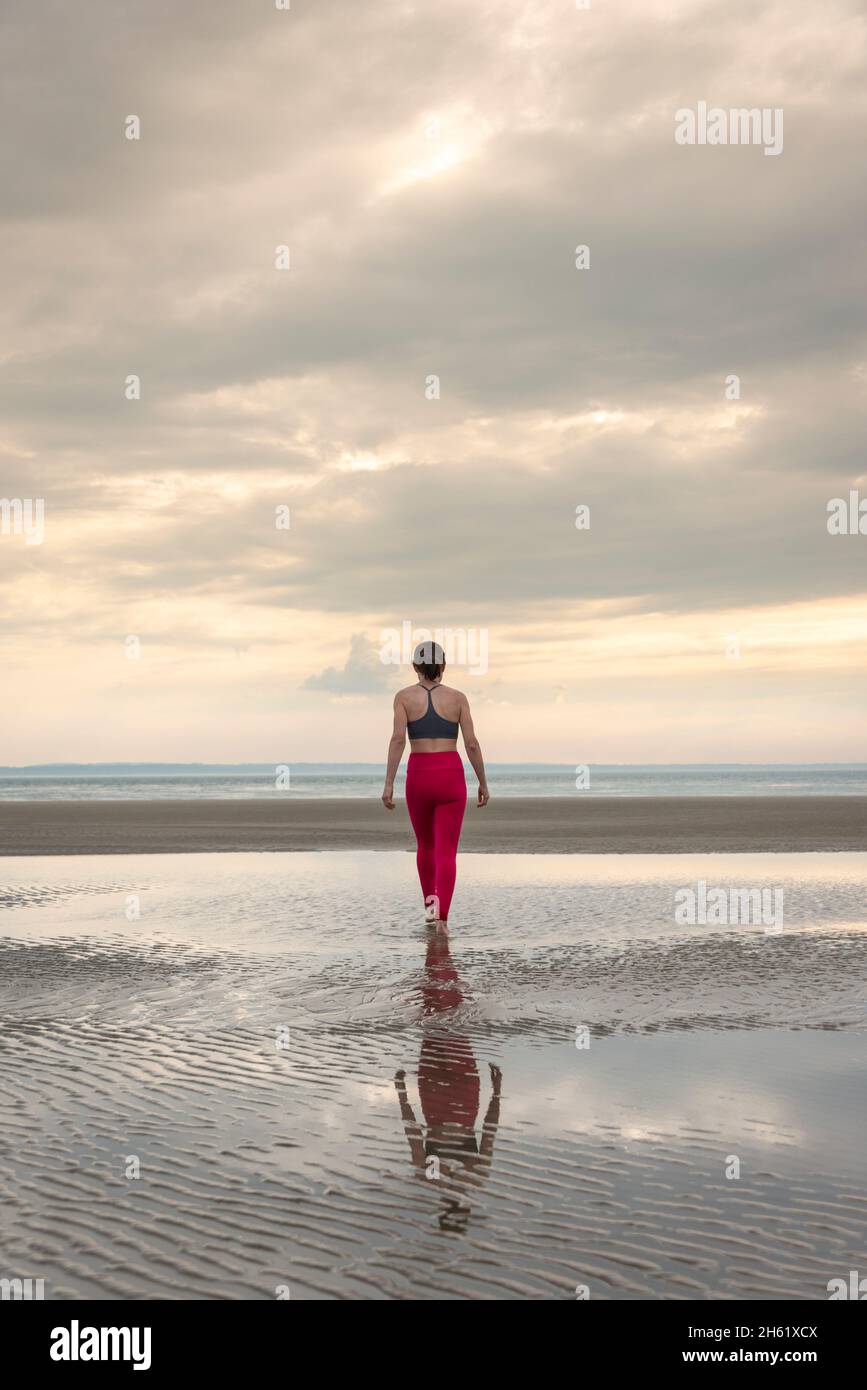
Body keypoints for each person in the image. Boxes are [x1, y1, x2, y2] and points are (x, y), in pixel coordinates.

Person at [382, 640, 489, 925]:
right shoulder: (458, 698)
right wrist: (482, 782)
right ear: (442, 666)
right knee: (446, 852)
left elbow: (397, 740)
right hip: (450, 776)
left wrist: (389, 783)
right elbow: (472, 744)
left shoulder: (403, 697)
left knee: (425, 847)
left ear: (415, 666)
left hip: (419, 775)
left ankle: (430, 912)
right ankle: (442, 920)